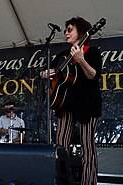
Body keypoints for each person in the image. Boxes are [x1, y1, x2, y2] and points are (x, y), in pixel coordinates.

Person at [40, 17, 102, 185]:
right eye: (66, 30)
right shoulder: (61, 56)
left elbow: (93, 76)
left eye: (70, 29)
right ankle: (60, 182)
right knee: (60, 148)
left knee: (87, 149)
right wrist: (44, 75)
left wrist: (81, 60)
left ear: (80, 32)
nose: (66, 33)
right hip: (63, 104)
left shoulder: (92, 52)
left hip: (87, 105)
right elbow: (49, 75)